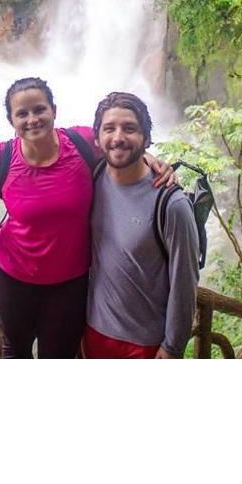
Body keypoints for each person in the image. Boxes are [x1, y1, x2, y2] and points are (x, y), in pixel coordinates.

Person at [0, 76, 174, 359]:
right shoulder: (1, 157)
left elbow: (121, 144)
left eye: (39, 109)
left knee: (59, 355)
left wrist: (152, 160)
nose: (32, 119)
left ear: (54, 110)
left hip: (69, 284)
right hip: (9, 276)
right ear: (11, 120)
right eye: (22, 113)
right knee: (15, 350)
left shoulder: (82, 143)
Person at [83, 91, 200, 359]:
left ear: (146, 138)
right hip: (92, 331)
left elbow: (186, 280)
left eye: (130, 129)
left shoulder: (172, 204)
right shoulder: (93, 175)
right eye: (109, 129)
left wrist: (172, 346)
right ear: (98, 138)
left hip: (144, 344)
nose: (118, 137)